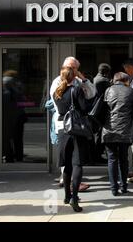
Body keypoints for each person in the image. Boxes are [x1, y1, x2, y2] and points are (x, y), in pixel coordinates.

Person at [50, 57, 95, 191]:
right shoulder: (58, 83)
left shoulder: (79, 82)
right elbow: (82, 105)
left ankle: (68, 187)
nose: (73, 70)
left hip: (67, 122)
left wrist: (84, 80)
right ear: (65, 68)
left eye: (75, 68)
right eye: (71, 68)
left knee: (70, 155)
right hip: (68, 122)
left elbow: (92, 93)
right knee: (72, 158)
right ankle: (71, 185)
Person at [53, 67, 89, 212]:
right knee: (77, 164)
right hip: (76, 130)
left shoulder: (57, 92)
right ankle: (75, 198)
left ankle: (67, 196)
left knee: (66, 164)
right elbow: (83, 108)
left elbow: (60, 110)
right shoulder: (76, 90)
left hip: (63, 130)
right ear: (74, 77)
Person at [101, 72, 133, 196]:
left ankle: (113, 189)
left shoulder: (108, 91)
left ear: (114, 80)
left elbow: (104, 109)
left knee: (111, 159)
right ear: (126, 80)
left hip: (109, 129)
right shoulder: (131, 91)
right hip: (125, 130)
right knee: (123, 159)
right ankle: (124, 187)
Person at [92, 63, 112, 163]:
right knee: (100, 134)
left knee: (98, 133)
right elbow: (110, 92)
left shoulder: (96, 78)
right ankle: (96, 155)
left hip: (98, 110)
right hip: (101, 110)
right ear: (105, 72)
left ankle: (96, 155)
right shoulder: (103, 80)